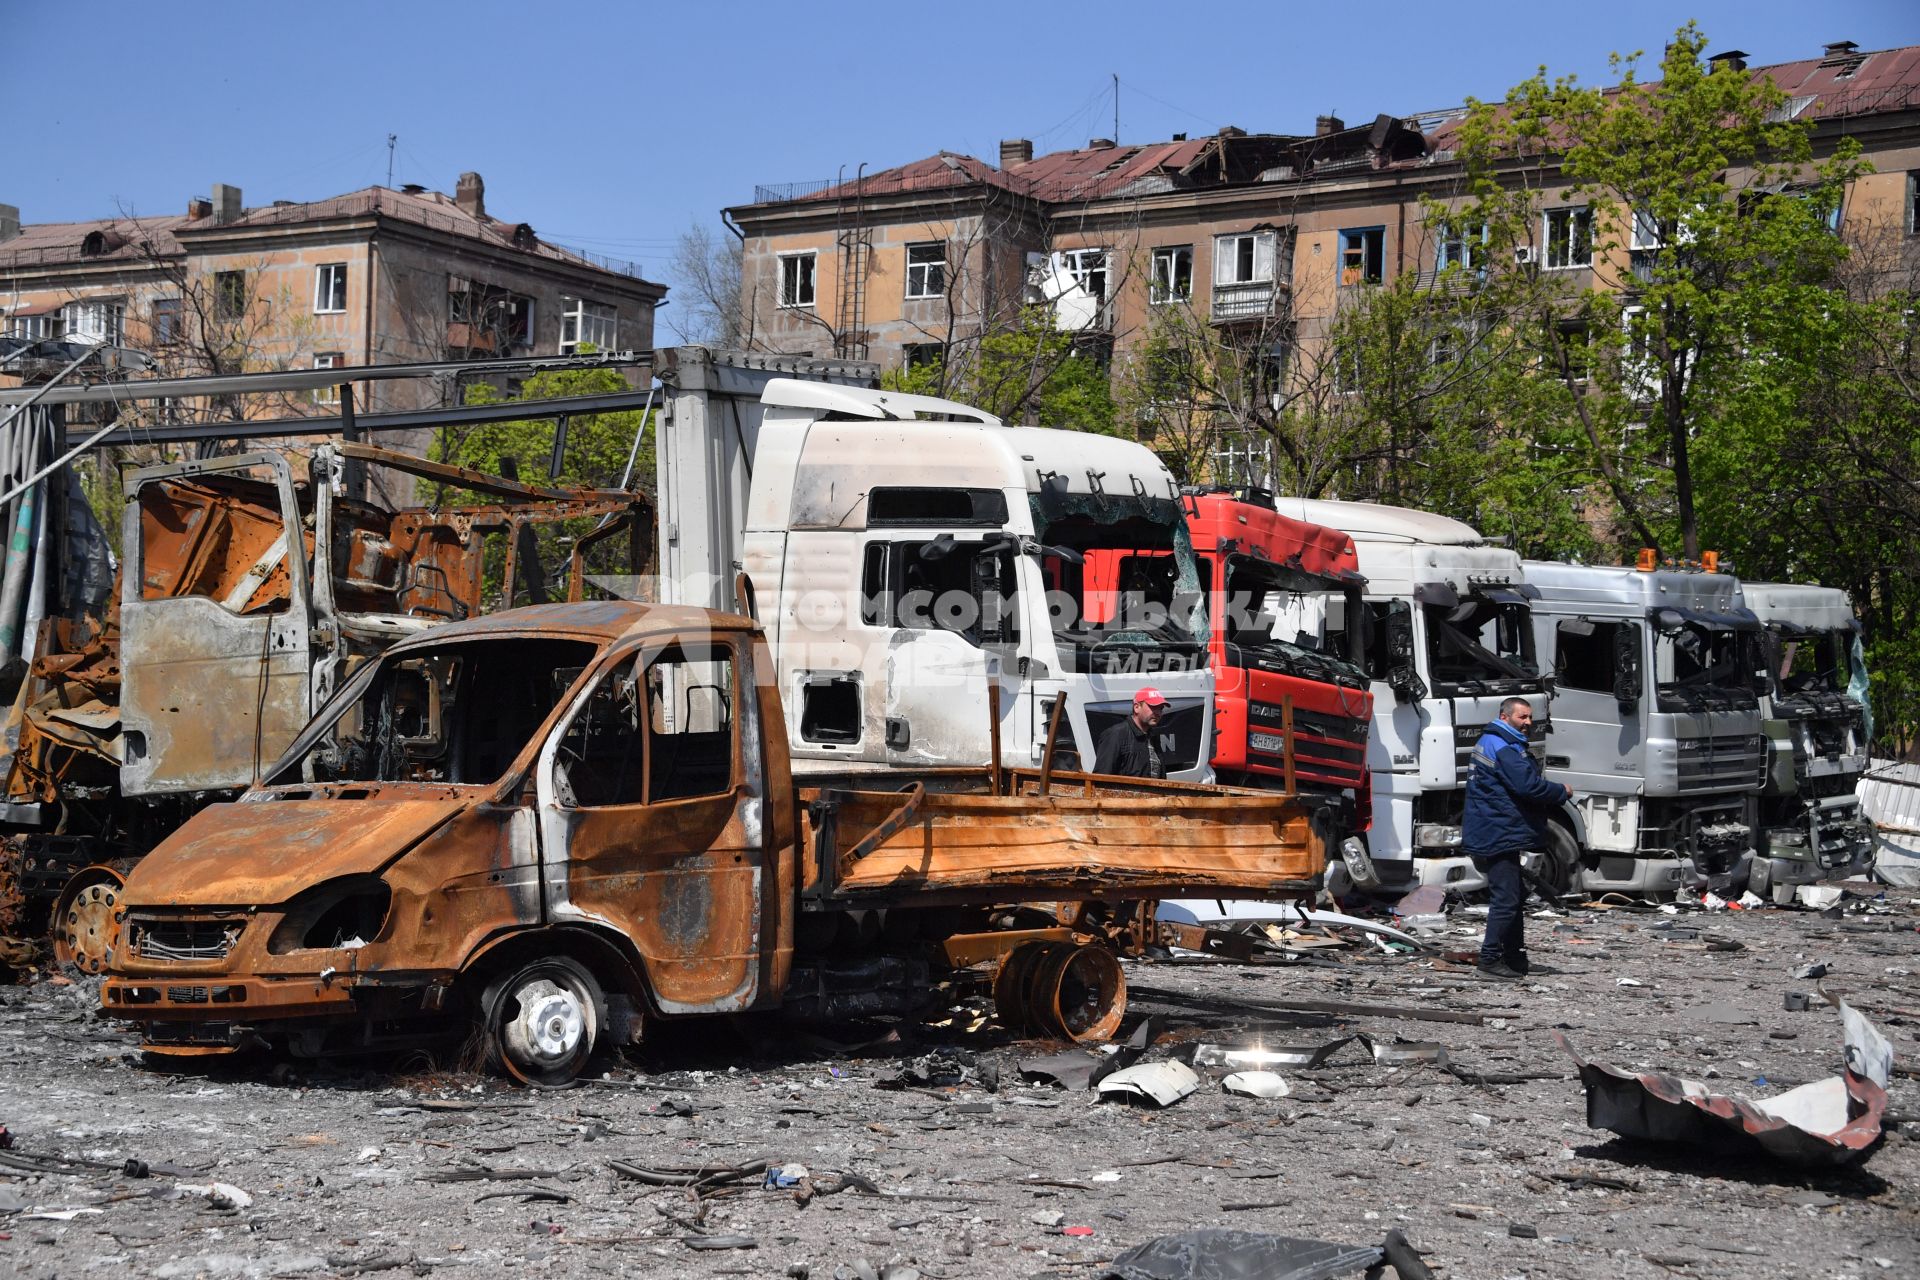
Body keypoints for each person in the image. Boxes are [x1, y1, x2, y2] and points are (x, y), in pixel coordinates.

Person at [1462, 696, 1571, 980]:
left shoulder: (1497, 742)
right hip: (1497, 831)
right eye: (1522, 717)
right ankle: (1489, 961)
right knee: (1506, 899)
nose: (1528, 723)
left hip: (1497, 830)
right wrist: (1562, 791)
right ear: (1504, 716)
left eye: (1530, 717)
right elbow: (1529, 786)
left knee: (1514, 897)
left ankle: (1515, 960)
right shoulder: (1503, 746)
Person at [1092, 687, 1168, 778]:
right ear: (1136, 707)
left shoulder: (1153, 737)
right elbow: (1101, 779)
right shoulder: (1115, 735)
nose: (1158, 713)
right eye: (1153, 707)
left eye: (1160, 708)